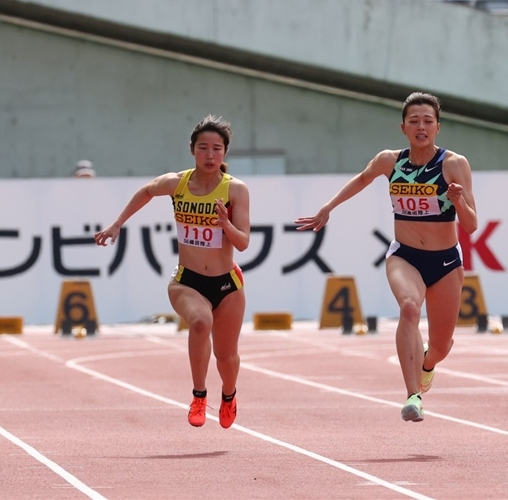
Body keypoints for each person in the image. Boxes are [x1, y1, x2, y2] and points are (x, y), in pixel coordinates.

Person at [295, 92, 478, 422]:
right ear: (403, 127)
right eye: (414, 121)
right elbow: (362, 179)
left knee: (440, 345)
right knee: (409, 308)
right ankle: (412, 395)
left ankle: (428, 363)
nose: (421, 126)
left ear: (438, 127)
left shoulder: (453, 164)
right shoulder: (390, 161)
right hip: (404, 255)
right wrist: (328, 208)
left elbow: (472, 224)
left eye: (427, 121)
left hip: (446, 262)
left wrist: (458, 201)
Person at [94, 115, 251, 429]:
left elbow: (243, 243)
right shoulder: (177, 183)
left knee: (227, 357)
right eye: (203, 148)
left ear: (225, 154)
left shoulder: (235, 190)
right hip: (187, 281)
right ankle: (198, 395)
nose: (210, 155)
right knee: (200, 321)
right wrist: (116, 224)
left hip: (227, 284)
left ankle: (229, 395)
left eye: (217, 149)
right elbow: (146, 191)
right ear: (192, 150)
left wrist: (225, 225)